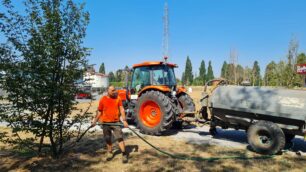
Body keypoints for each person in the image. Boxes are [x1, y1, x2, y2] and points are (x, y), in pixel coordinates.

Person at [91, 85, 129, 163]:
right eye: (112, 90)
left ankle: (124, 154)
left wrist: (124, 120)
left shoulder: (118, 98)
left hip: (116, 122)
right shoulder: (103, 99)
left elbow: (121, 109)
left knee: (119, 138)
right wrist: (95, 121)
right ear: (107, 91)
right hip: (105, 123)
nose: (114, 91)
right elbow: (99, 111)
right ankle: (110, 152)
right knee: (107, 138)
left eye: (114, 90)